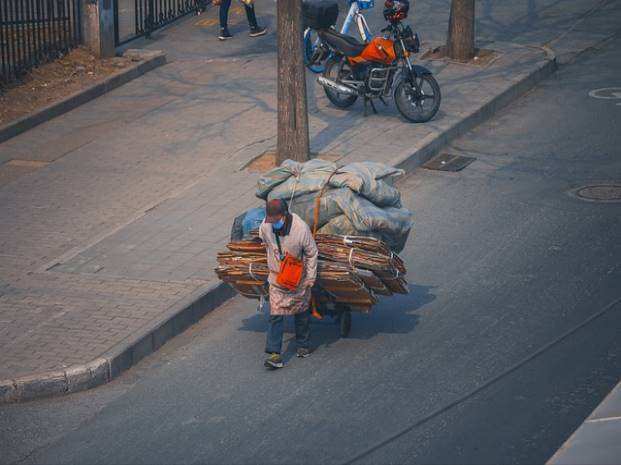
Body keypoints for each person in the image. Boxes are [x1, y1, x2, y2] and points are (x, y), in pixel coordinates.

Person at [259, 199, 318, 369]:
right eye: (271, 220)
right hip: (277, 277)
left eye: (276, 220)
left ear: (284, 216)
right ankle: (274, 354)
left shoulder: (301, 229)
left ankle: (303, 345)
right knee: (275, 314)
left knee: (301, 312)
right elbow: (264, 241)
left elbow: (312, 253)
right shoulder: (265, 226)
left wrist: (311, 277)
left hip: (298, 277)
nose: (273, 224)